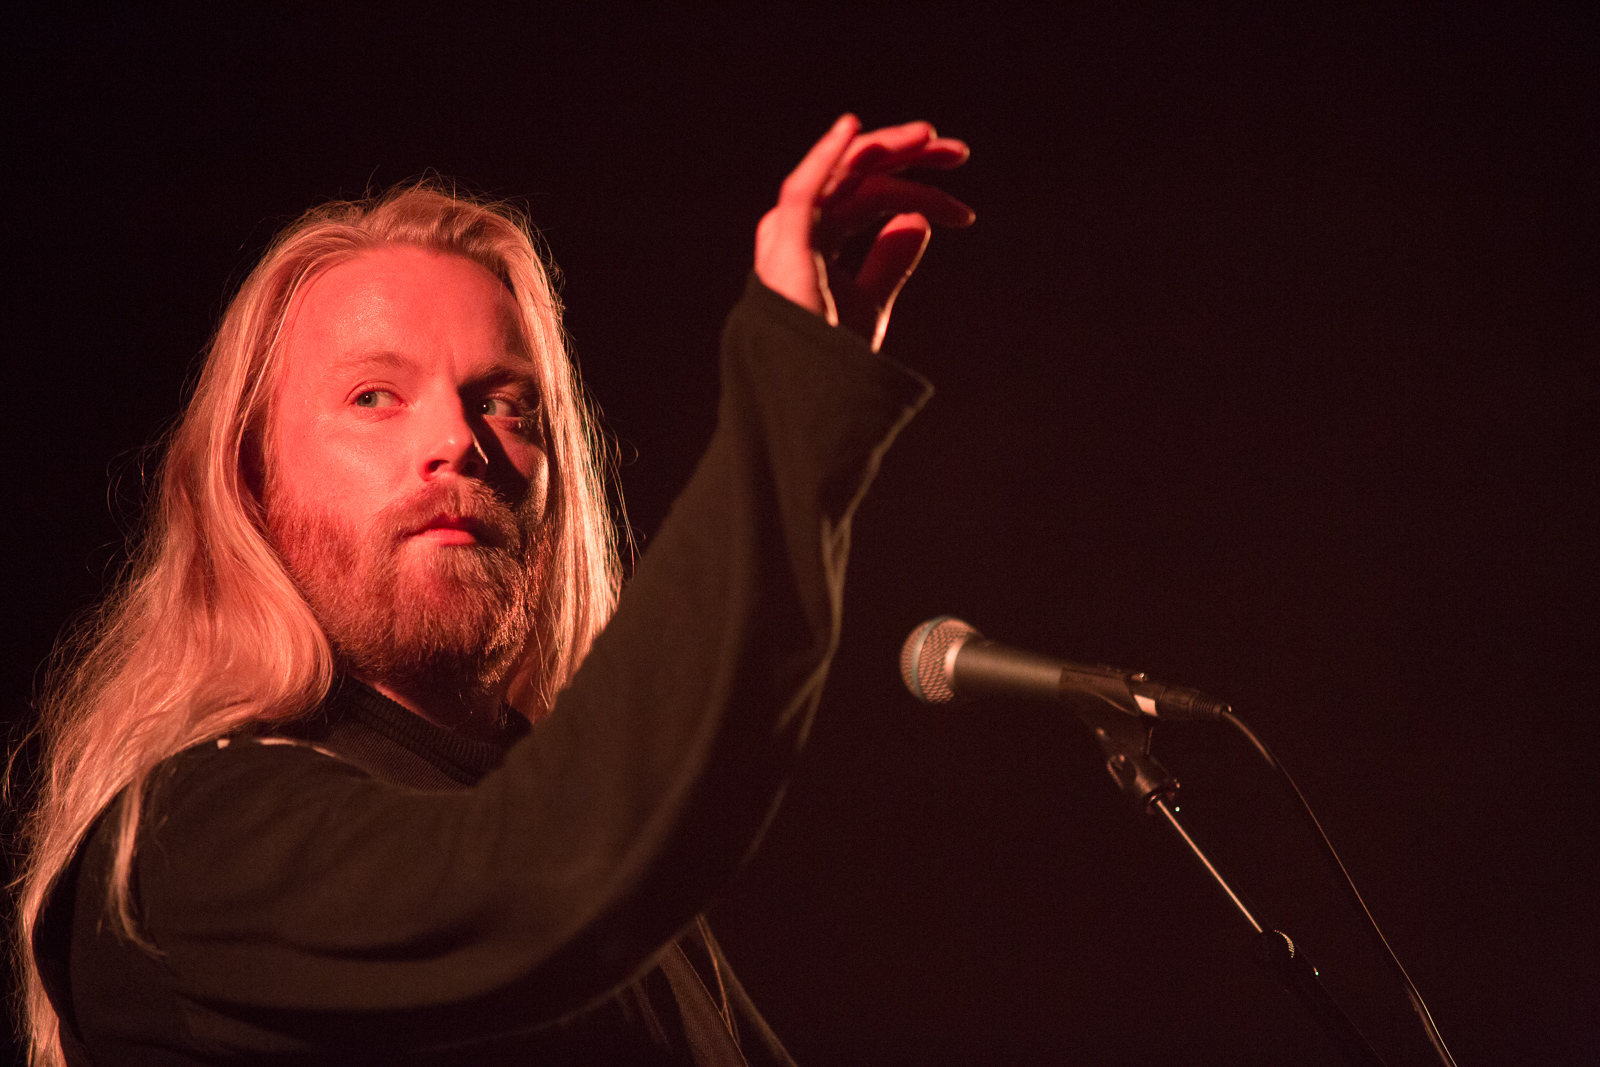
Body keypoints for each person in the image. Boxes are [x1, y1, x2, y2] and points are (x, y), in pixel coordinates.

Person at [13, 115, 973, 1065]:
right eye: (373, 396)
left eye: (506, 404)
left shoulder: (615, 876)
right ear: (248, 484)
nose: (459, 442)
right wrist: (798, 385)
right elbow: (530, 874)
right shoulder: (184, 844)